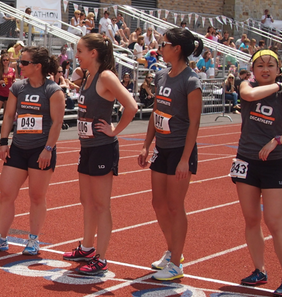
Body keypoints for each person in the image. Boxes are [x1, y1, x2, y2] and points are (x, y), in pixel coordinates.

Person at [63, 34, 138, 274]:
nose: (77, 55)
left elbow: (132, 106)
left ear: (93, 53)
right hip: (86, 147)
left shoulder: (106, 76)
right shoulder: (88, 76)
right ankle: (86, 247)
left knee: (101, 205)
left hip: (103, 147)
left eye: (80, 51)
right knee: (86, 201)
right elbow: (74, 74)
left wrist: (115, 129)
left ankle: (102, 258)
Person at [0, 47, 65, 256]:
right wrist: (3, 142)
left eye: (24, 63)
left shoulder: (53, 90)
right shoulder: (18, 87)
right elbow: (9, 116)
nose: (20, 66)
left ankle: (33, 239)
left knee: (37, 197)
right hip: (18, 148)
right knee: (6, 194)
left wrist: (48, 149)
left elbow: (56, 123)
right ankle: (0, 238)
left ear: (38, 66)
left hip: (40, 150)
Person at [137, 27, 203, 281]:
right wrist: (146, 144)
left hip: (180, 150)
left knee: (175, 206)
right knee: (158, 203)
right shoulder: (161, 76)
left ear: (177, 49)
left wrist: (185, 159)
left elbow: (194, 123)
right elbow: (156, 112)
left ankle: (176, 263)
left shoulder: (191, 81)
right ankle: (173, 250)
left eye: (164, 44)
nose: (159, 48)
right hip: (161, 149)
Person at [232, 49, 282, 297]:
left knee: (275, 222)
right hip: (246, 160)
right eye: (260, 65)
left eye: (270, 65)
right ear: (253, 69)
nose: (265, 69)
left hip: (273, 163)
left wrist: (278, 139)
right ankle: (259, 270)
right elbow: (248, 94)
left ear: (279, 69)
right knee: (251, 219)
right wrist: (280, 86)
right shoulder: (248, 86)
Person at [0, 51, 16, 136]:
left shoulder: (12, 70)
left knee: (6, 115)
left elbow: (13, 80)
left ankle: (4, 134)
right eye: (4, 60)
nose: (5, 61)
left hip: (8, 94)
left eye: (7, 60)